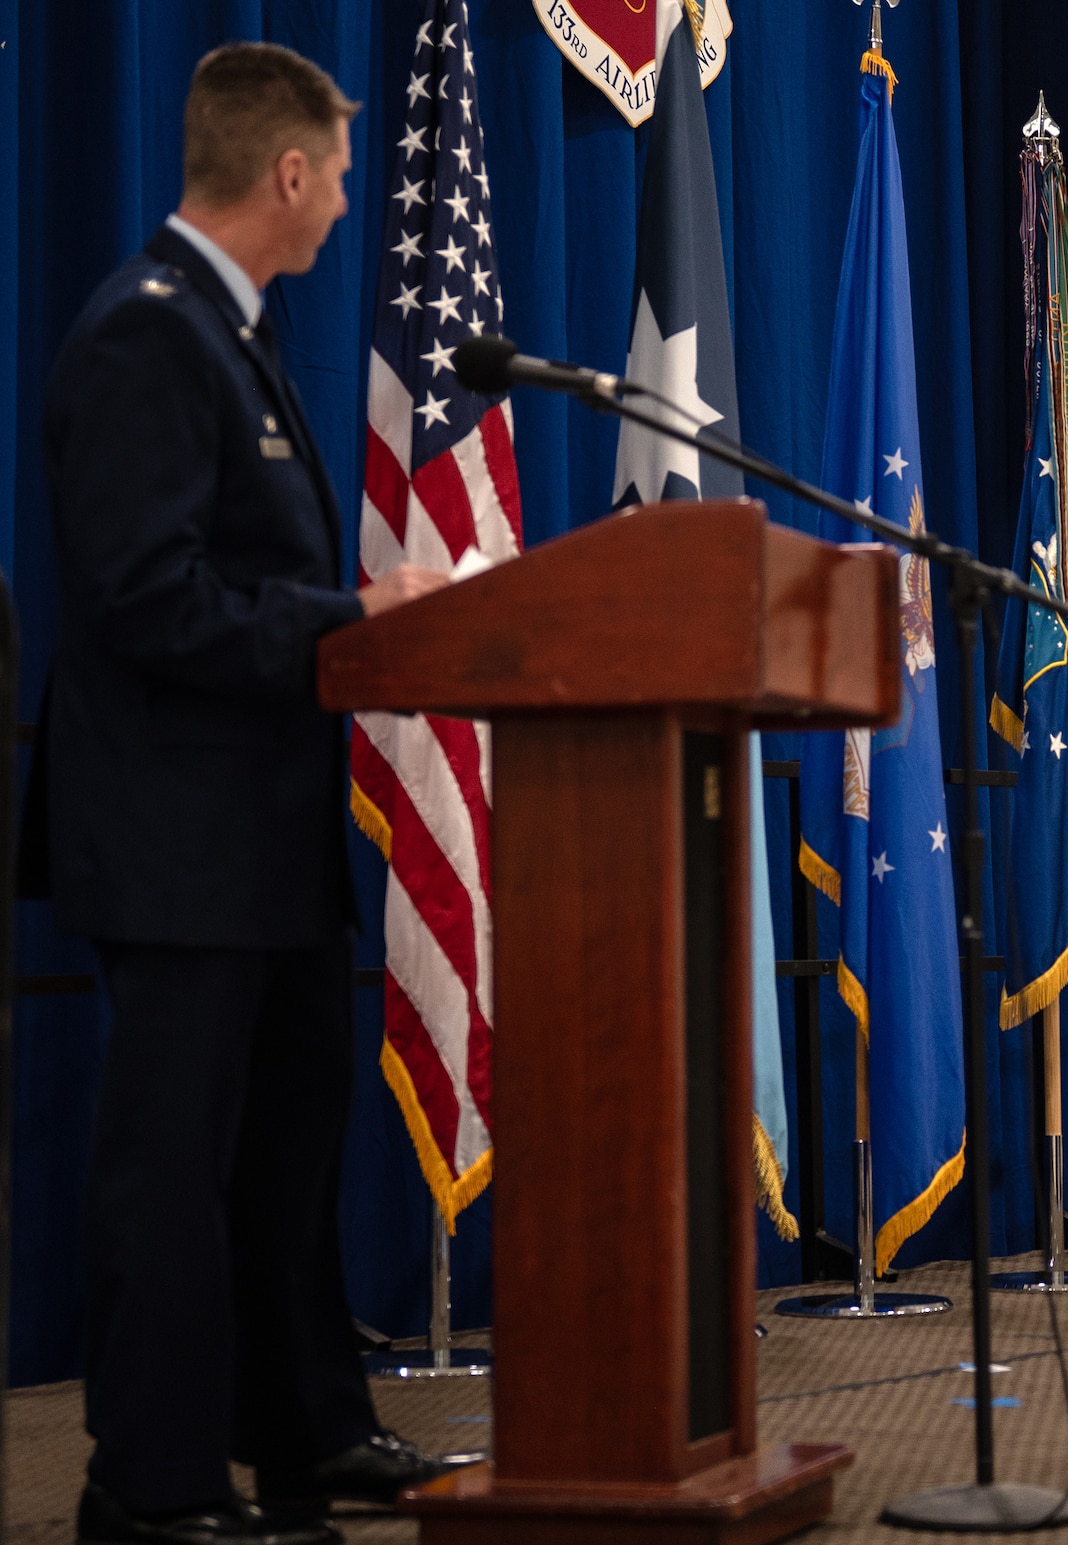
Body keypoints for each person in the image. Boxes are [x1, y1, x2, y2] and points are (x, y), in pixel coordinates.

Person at [41, 43, 455, 1545]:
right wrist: (355, 624)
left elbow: (238, 582)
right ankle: (144, 1486)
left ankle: (305, 1434)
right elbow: (148, 596)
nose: (348, 202)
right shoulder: (147, 335)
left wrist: (342, 620)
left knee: (286, 1154)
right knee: (174, 1173)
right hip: (175, 843)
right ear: (286, 173)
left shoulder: (234, 331)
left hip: (260, 837)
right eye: (337, 175)